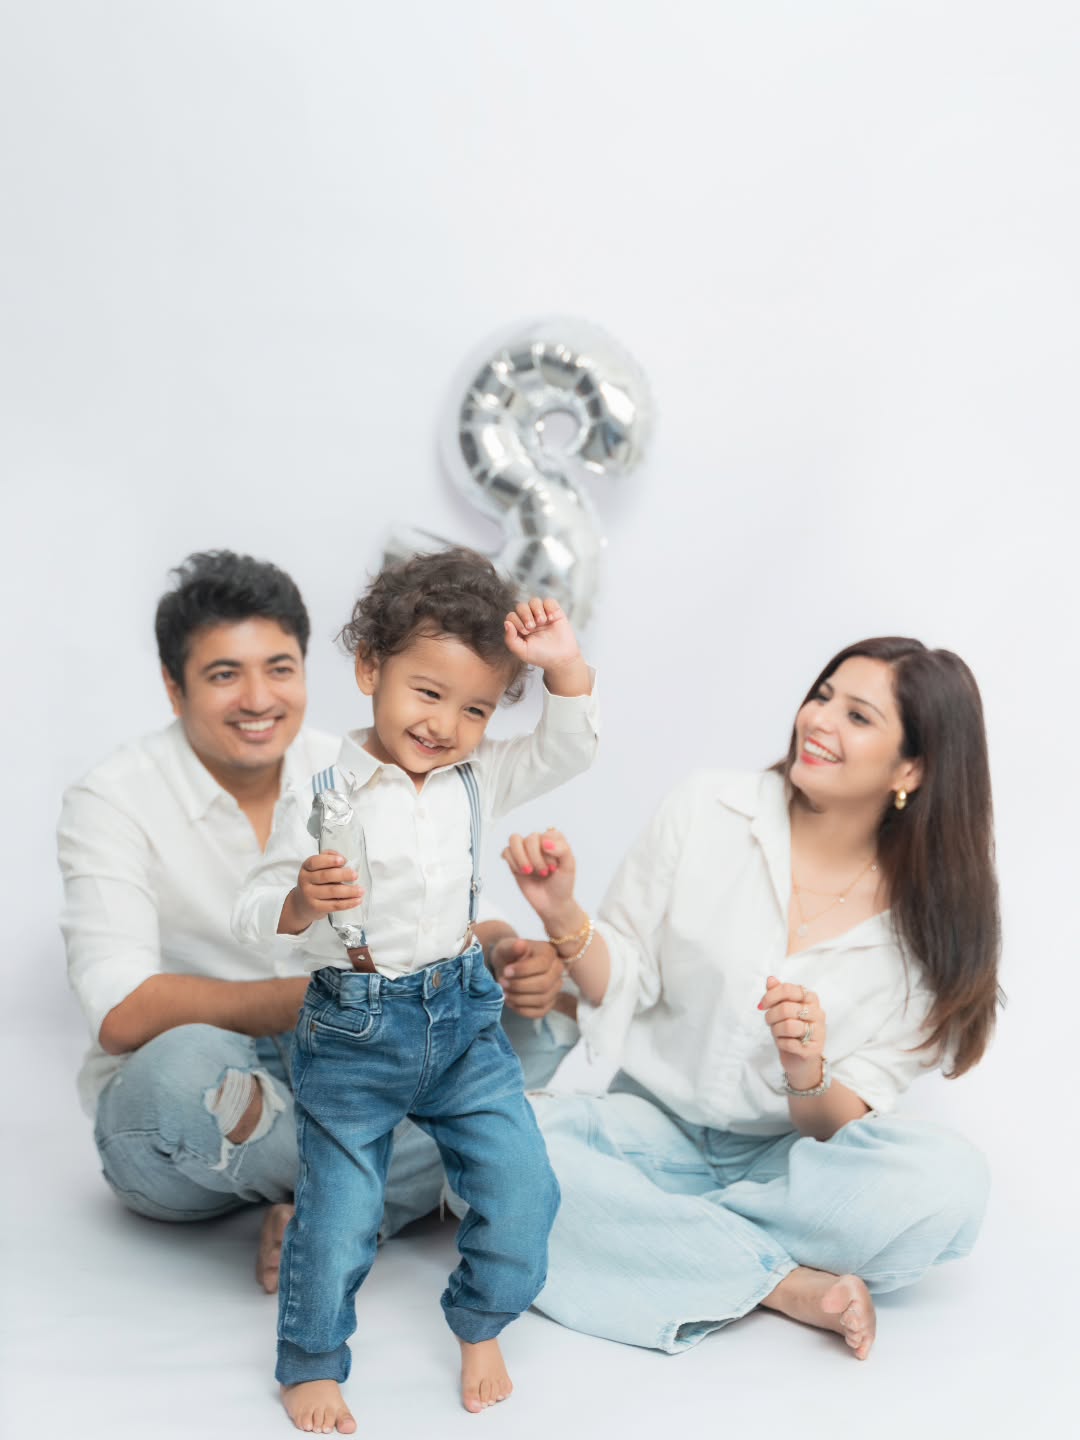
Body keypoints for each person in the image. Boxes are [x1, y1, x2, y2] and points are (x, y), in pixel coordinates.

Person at [56, 550, 561, 1295]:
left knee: (537, 1028)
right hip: (207, 1089)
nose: (259, 698)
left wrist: (505, 951)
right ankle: (376, 1197)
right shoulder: (112, 798)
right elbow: (122, 1013)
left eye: (280, 668)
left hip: (344, 1059)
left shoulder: (359, 761)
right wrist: (339, 1001)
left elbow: (449, 919)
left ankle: (333, 1212)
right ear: (173, 686)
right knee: (176, 1073)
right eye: (224, 674)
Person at [498, 637, 997, 1361]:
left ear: (911, 769)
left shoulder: (933, 924)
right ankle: (782, 1283)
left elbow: (835, 1125)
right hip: (647, 1130)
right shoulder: (709, 807)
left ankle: (645, 1234)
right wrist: (563, 913)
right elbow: (623, 982)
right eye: (822, 696)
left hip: (784, 1167)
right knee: (504, 1147)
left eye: (858, 716)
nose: (818, 720)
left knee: (950, 1184)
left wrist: (806, 1067)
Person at [232, 547, 599, 1432]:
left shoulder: (478, 776)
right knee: (340, 1214)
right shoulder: (321, 789)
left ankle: (481, 1320)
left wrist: (564, 666)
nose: (446, 725)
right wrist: (298, 901)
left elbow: (570, 745)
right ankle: (311, 1362)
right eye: (427, 693)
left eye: (475, 708)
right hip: (355, 1031)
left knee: (524, 1188)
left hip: (463, 1020)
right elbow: (249, 911)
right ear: (370, 670)